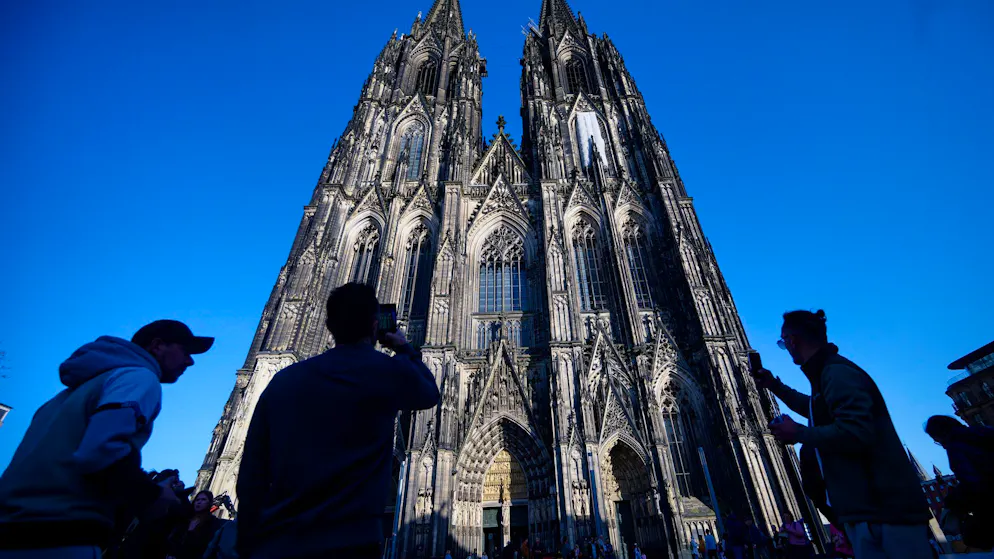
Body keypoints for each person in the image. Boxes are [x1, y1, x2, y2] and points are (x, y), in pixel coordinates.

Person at [235, 283, 441, 559]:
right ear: (374, 326)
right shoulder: (385, 372)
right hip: (351, 540)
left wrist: (249, 541)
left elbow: (251, 474)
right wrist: (404, 348)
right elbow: (429, 392)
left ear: (329, 326)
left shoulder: (282, 381)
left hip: (281, 539)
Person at [0, 320, 213, 558]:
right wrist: (152, 495)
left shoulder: (72, 392)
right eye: (185, 351)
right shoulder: (140, 378)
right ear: (157, 346)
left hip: (13, 528)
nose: (190, 361)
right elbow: (101, 450)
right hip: (60, 534)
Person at [753, 309, 932, 559]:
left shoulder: (837, 373)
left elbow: (856, 432)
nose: (786, 348)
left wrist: (800, 433)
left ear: (793, 341)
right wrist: (775, 386)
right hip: (871, 510)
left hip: (884, 511)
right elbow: (814, 407)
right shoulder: (828, 373)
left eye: (783, 343)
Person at [924, 415, 994, 550]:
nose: (940, 444)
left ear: (941, 434)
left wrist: (954, 499)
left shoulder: (955, 446)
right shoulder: (985, 432)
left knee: (973, 537)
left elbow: (973, 483)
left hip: (989, 498)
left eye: (936, 440)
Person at [165, 490, 223, 559]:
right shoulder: (186, 520)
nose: (199, 502)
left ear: (209, 503)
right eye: (197, 500)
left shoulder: (212, 522)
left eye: (203, 499)